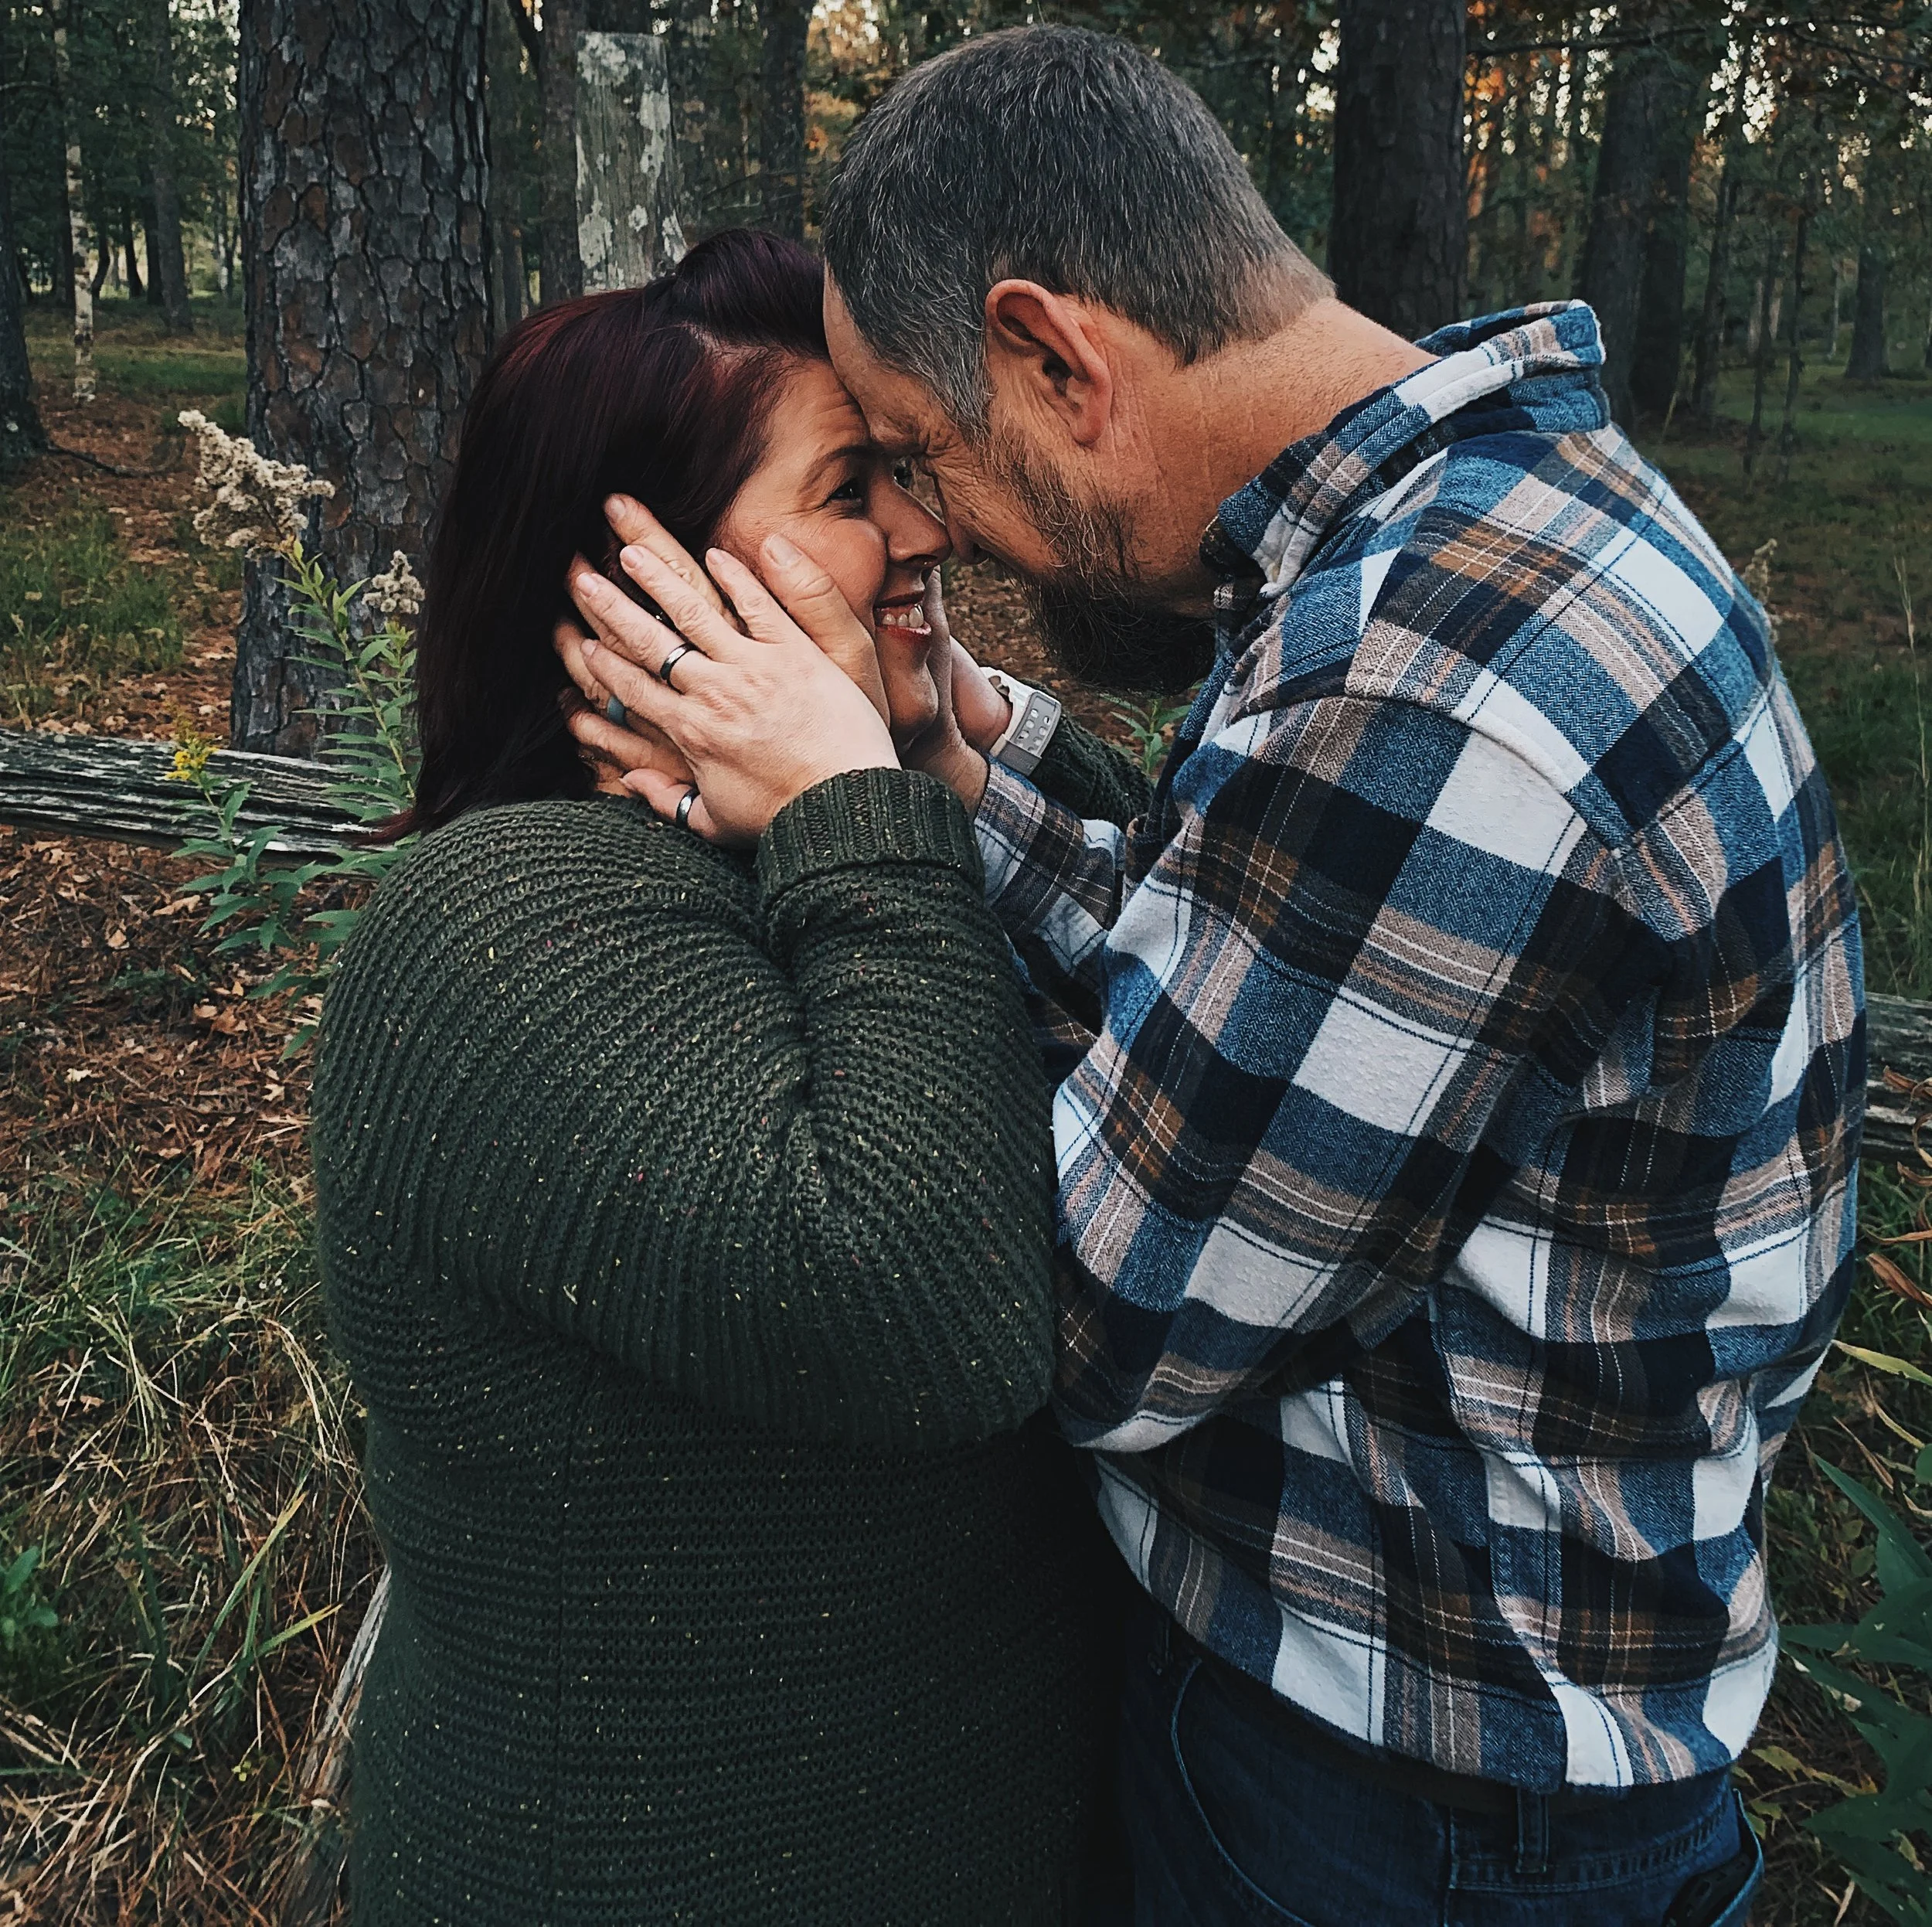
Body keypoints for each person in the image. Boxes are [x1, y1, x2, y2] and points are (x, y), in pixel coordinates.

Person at [561, 27, 1861, 1926]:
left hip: (1405, 1810)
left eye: (921, 454)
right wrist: (944, 761)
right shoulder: (1482, 540)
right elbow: (1249, 1015)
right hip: (1459, 1759)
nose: (922, 528)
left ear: (1053, 357)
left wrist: (851, 818)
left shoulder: (1435, 685)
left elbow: (1089, 1319)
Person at [311, 227, 1143, 1927]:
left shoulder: (808, 850)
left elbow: (1180, 963)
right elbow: (931, 1308)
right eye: (854, 485)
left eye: (908, 468)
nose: (922, 528)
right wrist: (854, 805)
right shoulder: (508, 925)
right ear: (643, 582)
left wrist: (886, 767)